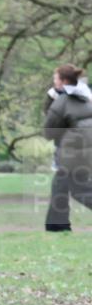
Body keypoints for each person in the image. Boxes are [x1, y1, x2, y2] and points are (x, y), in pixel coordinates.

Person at [43, 64, 92, 232]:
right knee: (62, 187)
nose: (53, 81)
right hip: (86, 153)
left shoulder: (62, 101)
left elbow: (49, 131)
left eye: (55, 78)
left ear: (63, 81)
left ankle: (57, 226)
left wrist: (50, 101)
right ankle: (57, 226)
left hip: (72, 155)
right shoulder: (86, 97)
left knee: (76, 189)